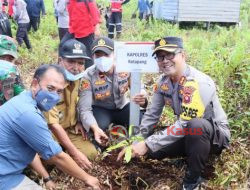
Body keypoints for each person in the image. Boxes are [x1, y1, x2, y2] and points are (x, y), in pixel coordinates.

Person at [117, 37, 230, 190]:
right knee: (152, 152)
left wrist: (148, 143)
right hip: (187, 133)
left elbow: (184, 124)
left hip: (213, 136)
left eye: (170, 55)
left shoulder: (198, 82)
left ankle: (192, 181)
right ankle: (190, 154)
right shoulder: (163, 83)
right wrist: (137, 142)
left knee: (195, 125)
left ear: (183, 55)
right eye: (160, 57)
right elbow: (151, 115)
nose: (165, 61)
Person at [0, 64, 101, 190]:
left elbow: (30, 150)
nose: (54, 96)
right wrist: (88, 178)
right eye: (50, 88)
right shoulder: (28, 114)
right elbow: (57, 156)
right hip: (5, 178)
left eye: (59, 91)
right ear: (35, 83)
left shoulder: (25, 101)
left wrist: (46, 178)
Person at [78, 37, 148, 147]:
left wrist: (143, 96)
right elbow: (85, 108)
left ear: (114, 55)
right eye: (98, 56)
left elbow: (140, 88)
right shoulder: (88, 76)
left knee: (143, 124)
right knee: (97, 132)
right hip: (101, 109)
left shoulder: (127, 67)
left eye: (106, 55)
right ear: (93, 57)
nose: (102, 59)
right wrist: (94, 127)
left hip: (122, 106)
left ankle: (136, 145)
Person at [44, 39, 98, 167]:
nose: (76, 67)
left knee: (91, 154)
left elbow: (82, 105)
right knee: (48, 160)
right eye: (71, 61)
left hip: (70, 129)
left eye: (80, 63)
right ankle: (63, 153)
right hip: (50, 131)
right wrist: (74, 153)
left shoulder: (80, 80)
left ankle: (64, 152)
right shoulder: (50, 83)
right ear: (60, 60)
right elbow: (52, 124)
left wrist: (79, 121)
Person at [64, 0, 101, 69]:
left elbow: (94, 13)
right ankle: (69, 71)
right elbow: (71, 16)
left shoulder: (88, 1)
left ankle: (89, 75)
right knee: (64, 47)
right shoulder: (70, 1)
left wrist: (97, 27)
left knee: (88, 55)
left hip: (86, 32)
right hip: (73, 31)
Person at [0, 35, 24, 105]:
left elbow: (21, 96)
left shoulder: (12, 72)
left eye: (10, 59)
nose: (5, 62)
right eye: (2, 57)